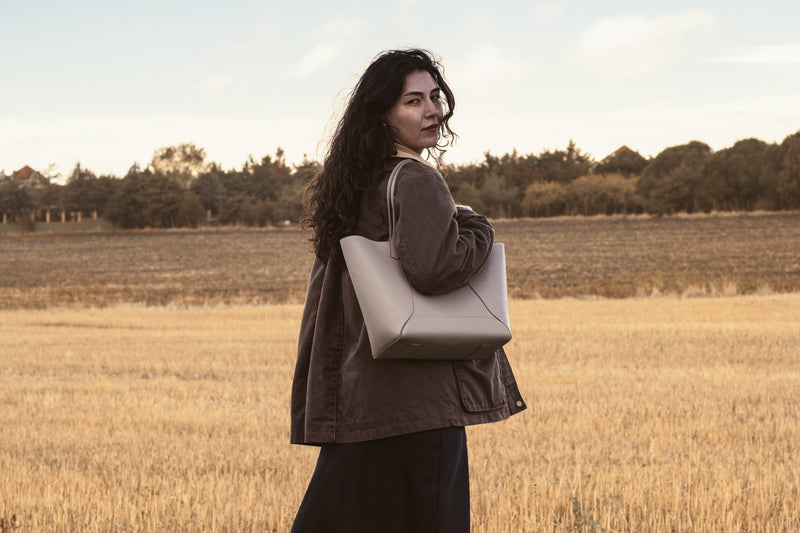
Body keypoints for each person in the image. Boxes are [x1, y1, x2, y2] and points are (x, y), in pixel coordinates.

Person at [290, 48, 526, 533]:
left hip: (363, 397)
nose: (432, 110)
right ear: (383, 114)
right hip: (419, 402)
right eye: (413, 101)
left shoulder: (355, 184)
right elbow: (436, 269)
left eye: (435, 97)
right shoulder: (415, 177)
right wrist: (476, 225)